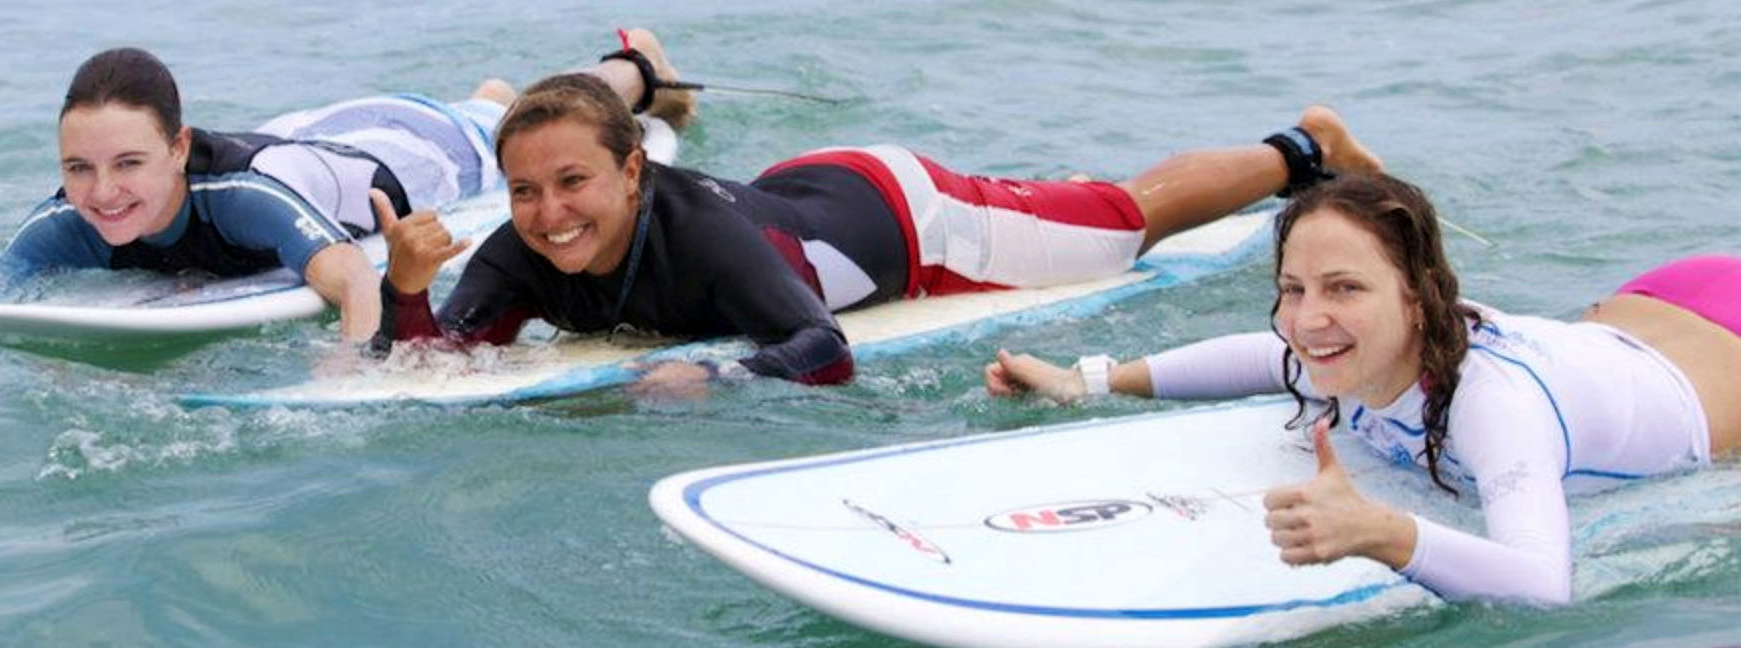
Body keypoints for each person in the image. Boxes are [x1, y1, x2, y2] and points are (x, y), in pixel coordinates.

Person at [372, 30, 1385, 391]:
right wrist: (406, 291)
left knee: (1123, 220)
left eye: (574, 182)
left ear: (634, 170)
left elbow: (823, 348)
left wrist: (717, 377)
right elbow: (431, 364)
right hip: (800, 192)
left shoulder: (710, 245)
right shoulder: (515, 250)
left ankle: (1300, 150)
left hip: (907, 214)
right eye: (525, 189)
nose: (548, 214)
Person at [984, 172, 1741, 605]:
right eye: (1293, 288)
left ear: (1417, 296)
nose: (1309, 319)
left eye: (1344, 288)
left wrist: (1383, 532)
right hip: (1649, 302)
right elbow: (1263, 354)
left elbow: (1544, 583)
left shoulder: (1493, 411)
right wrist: (1089, 382)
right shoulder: (1343, 344)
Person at [0, 38, 694, 341]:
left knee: (534, 122)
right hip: (303, 137)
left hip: (401, 149)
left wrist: (346, 366)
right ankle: (482, 94)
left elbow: (351, 277)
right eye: (78, 169)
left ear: (177, 149)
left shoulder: (240, 199)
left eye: (128, 164)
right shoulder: (69, 217)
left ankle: (634, 67)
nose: (101, 192)